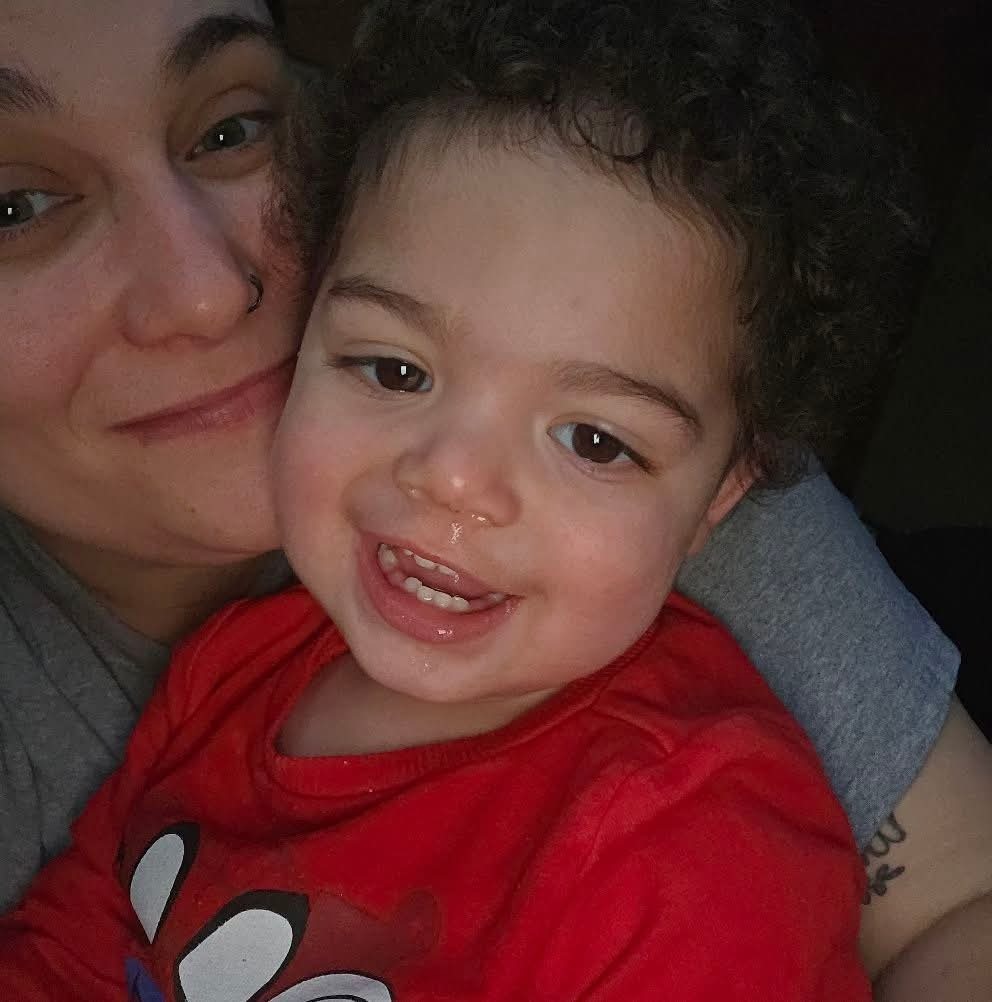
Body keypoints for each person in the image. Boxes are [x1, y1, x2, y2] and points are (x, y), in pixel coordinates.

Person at [0, 0, 989, 996]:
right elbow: (73, 939)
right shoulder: (226, 672)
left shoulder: (695, 870)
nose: (454, 478)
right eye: (394, 371)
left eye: (594, 441)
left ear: (716, 503)